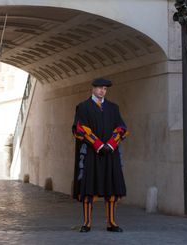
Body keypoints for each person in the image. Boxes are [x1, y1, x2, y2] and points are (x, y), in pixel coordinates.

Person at [72, 78, 129, 233]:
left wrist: (110, 145)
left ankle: (111, 222)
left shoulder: (113, 108)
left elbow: (121, 128)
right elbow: (79, 129)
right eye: (99, 88)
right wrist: (98, 145)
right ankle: (87, 223)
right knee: (88, 188)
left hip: (110, 153)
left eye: (104, 88)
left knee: (111, 188)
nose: (102, 91)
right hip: (91, 153)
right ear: (93, 89)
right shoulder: (83, 107)